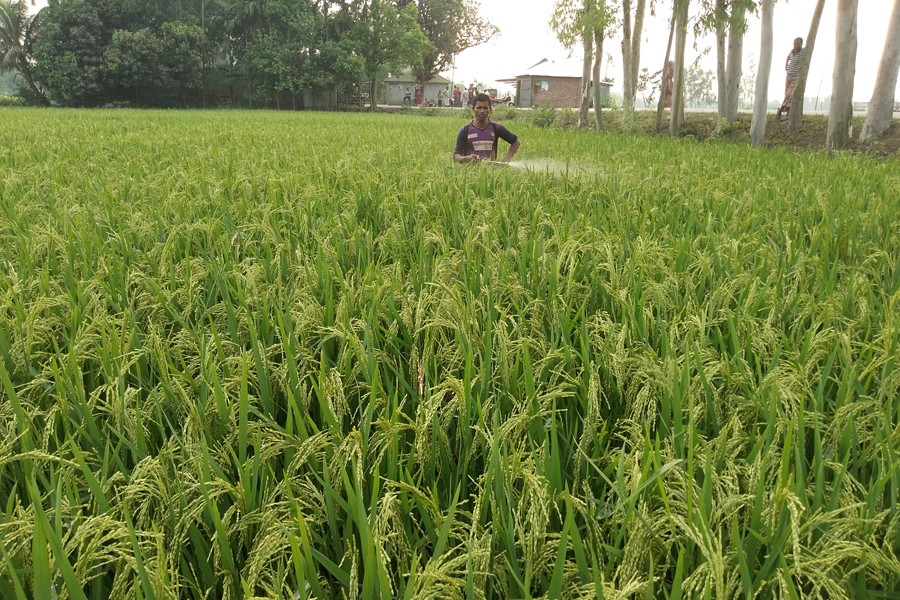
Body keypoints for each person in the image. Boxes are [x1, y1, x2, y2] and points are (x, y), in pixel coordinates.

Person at [454, 93, 521, 164]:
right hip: (470, 172)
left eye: (485, 108)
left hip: (491, 173)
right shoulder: (465, 130)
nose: (482, 111)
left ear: (490, 110)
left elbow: (516, 142)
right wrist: (466, 158)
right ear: (473, 109)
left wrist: (505, 160)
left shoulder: (496, 128)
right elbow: (456, 156)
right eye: (479, 108)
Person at [777, 37, 804, 120]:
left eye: (798, 44)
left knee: (790, 95)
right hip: (788, 77)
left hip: (795, 78)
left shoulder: (803, 51)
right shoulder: (792, 52)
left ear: (801, 44)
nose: (796, 46)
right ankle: (787, 113)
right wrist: (786, 66)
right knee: (786, 95)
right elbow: (788, 57)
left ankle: (781, 110)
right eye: (794, 44)